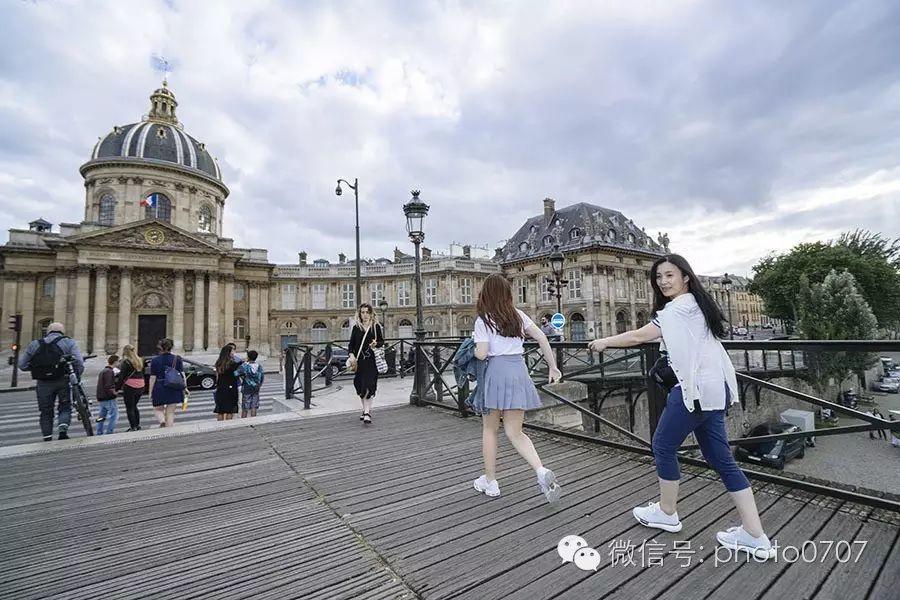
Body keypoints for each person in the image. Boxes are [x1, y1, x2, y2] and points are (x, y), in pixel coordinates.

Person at [588, 254, 776, 559]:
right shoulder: (698, 305)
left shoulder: (677, 309)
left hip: (695, 390)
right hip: (716, 390)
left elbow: (640, 335)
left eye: (669, 275)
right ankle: (755, 534)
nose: (663, 282)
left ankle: (667, 512)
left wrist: (604, 341)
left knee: (662, 445)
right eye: (659, 277)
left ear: (685, 277)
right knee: (722, 460)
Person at [472, 273, 562, 504]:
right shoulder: (518, 316)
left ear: (486, 294)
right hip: (518, 371)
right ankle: (541, 471)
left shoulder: (483, 320)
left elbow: (481, 354)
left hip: (496, 372)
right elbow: (542, 337)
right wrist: (553, 367)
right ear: (507, 294)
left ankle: (491, 481)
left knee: (490, 429)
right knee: (515, 432)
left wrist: (474, 346)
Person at [18, 322, 84, 441]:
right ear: (62, 332)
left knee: (45, 410)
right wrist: (76, 375)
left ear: (48, 331)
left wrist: (37, 368)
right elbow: (79, 362)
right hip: (62, 379)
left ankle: (47, 436)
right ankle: (63, 431)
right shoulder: (68, 342)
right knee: (64, 406)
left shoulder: (35, 344)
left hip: (43, 383)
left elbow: (22, 365)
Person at [347, 302, 384, 425]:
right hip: (359, 362)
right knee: (360, 386)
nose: (365, 315)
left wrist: (375, 344)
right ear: (360, 314)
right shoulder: (356, 328)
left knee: (369, 385)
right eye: (362, 312)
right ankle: (364, 410)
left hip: (372, 361)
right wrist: (351, 355)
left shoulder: (375, 326)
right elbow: (351, 345)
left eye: (367, 312)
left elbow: (381, 342)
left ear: (371, 313)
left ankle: (367, 413)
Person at [147, 338, 184, 428]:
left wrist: (150, 392)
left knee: (158, 409)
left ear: (160, 347)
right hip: (174, 386)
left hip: (160, 386)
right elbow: (182, 374)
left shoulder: (155, 360)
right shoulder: (177, 359)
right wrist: (185, 387)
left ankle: (162, 421)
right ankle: (169, 429)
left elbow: (152, 377)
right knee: (170, 412)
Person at [116, 344, 146, 431]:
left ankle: (133, 427)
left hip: (130, 385)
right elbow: (142, 373)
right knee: (134, 406)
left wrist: (117, 389)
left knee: (129, 407)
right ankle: (138, 425)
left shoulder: (126, 362)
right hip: (140, 385)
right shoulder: (140, 360)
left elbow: (122, 377)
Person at [214, 344, 242, 421]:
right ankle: (227, 425)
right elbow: (237, 374)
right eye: (232, 351)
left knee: (220, 410)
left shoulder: (219, 362)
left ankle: (219, 425)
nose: (233, 352)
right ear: (229, 352)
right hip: (231, 387)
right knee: (229, 409)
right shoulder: (232, 363)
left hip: (221, 387)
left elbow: (217, 377)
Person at [236, 350, 264, 418]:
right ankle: (253, 421)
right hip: (256, 388)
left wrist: (243, 377)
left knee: (245, 407)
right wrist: (259, 385)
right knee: (254, 407)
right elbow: (262, 377)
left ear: (248, 357)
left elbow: (235, 374)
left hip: (246, 388)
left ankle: (244, 421)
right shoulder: (259, 366)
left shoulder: (244, 366)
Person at [95, 354, 119, 435]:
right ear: (115, 362)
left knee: (101, 416)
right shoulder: (109, 371)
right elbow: (109, 386)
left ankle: (99, 432)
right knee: (114, 415)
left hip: (101, 397)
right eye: (118, 361)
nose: (118, 363)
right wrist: (114, 393)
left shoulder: (103, 371)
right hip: (108, 397)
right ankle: (109, 431)